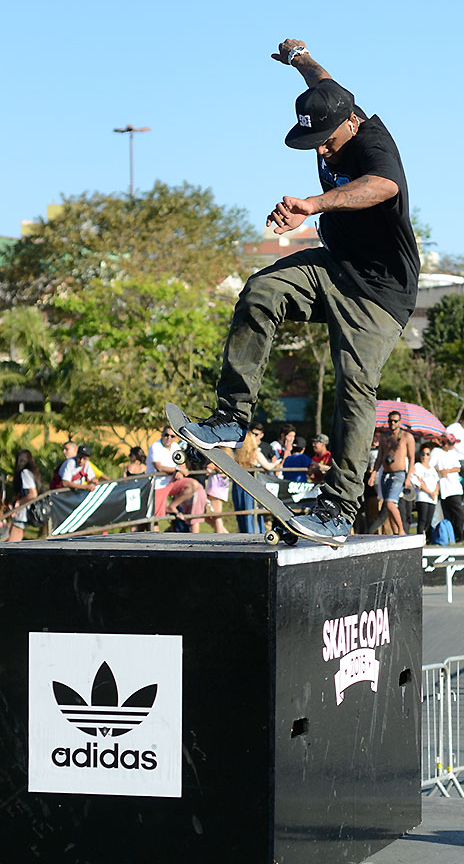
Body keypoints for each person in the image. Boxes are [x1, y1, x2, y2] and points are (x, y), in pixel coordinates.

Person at [176, 38, 419, 545]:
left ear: (350, 120)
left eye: (327, 142)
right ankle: (230, 418)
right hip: (334, 267)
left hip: (379, 294)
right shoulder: (331, 100)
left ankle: (339, 507)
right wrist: (299, 56)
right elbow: (319, 79)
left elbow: (382, 186)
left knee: (355, 386)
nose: (323, 151)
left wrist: (313, 203)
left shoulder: (375, 145)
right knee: (261, 290)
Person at [368, 410, 415, 535]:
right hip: (385, 475)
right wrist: (373, 474)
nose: (392, 423)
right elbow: (379, 458)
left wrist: (408, 477)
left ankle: (401, 531)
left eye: (395, 421)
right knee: (389, 506)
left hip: (399, 474)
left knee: (390, 503)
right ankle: (395, 531)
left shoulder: (406, 437)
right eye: (390, 421)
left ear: (400, 422)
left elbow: (412, 459)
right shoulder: (385, 437)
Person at [429, 432, 464, 543]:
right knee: (449, 514)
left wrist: (447, 470)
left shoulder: (452, 453)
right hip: (445, 488)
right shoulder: (436, 452)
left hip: (455, 488)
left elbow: (458, 468)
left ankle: (458, 536)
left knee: (459, 514)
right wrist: (439, 471)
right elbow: (429, 466)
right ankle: (451, 536)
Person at [9, 450, 40, 541]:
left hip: (23, 511)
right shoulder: (31, 472)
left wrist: (19, 502)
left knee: (13, 542)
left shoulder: (25, 473)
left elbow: (33, 494)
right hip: (24, 510)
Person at [413, 442, 440, 543]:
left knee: (429, 520)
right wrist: (429, 492)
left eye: (427, 454)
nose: (425, 456)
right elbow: (419, 481)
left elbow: (436, 482)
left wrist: (435, 492)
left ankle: (426, 538)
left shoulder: (432, 468)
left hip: (432, 498)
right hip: (423, 496)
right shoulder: (418, 466)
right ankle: (419, 539)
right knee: (422, 518)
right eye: (423, 454)